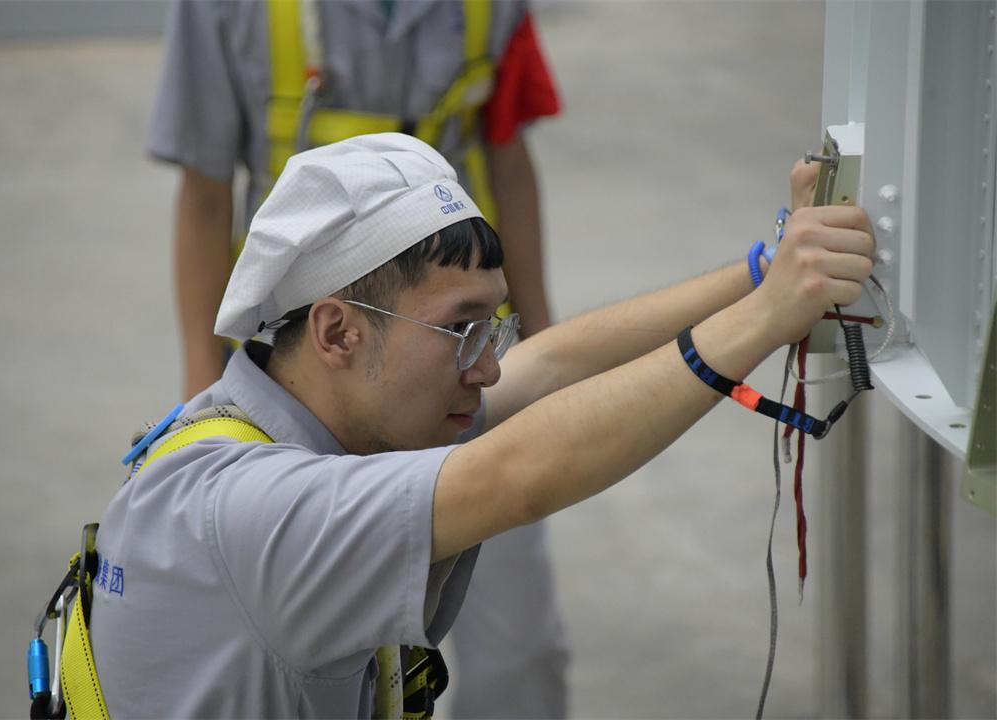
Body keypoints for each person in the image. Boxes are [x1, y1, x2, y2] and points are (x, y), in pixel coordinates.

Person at [89, 133, 872, 718]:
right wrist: (767, 318)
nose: (489, 367)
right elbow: (516, 475)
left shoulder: (301, 421)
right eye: (460, 329)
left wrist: (765, 271)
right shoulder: (255, 509)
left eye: (490, 327)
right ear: (337, 333)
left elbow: (553, 363)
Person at [147, 3, 565, 715]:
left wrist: (534, 344)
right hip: (314, 380)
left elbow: (507, 157)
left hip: (450, 352)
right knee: (326, 664)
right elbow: (205, 196)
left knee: (518, 653)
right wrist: (201, 399)